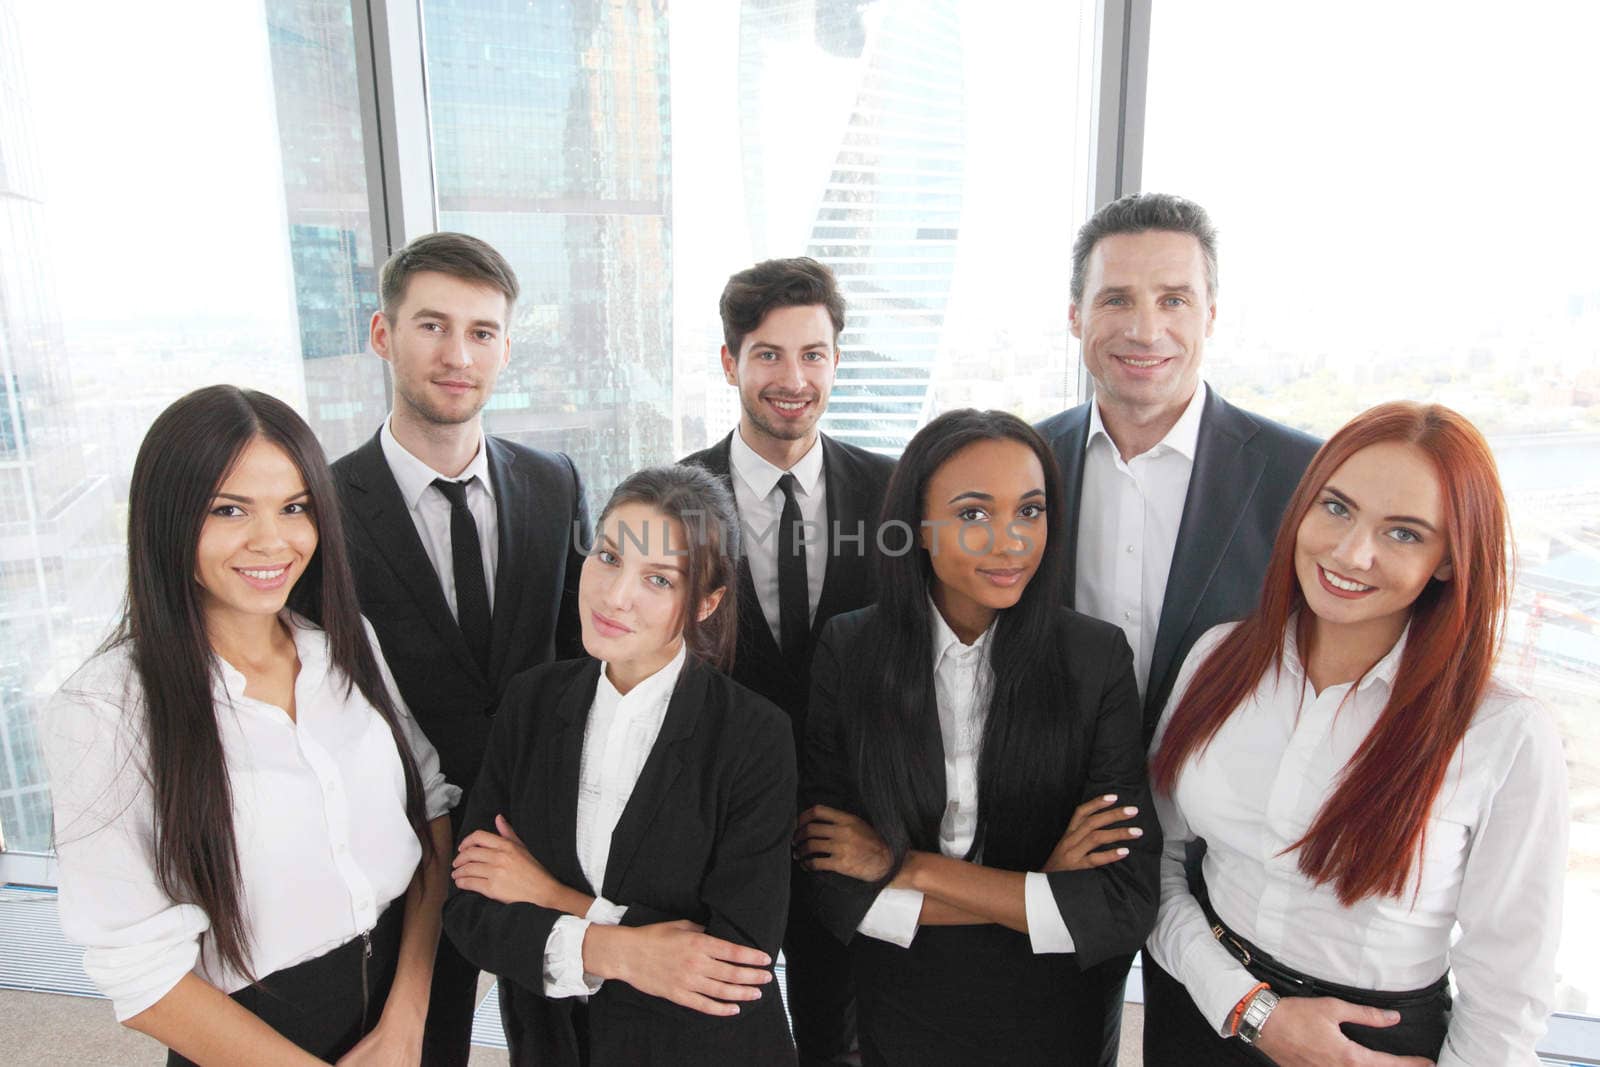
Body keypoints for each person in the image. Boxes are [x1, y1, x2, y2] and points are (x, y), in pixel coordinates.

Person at [43, 386, 458, 1065]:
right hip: (251, 1039)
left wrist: (409, 1016)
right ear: (169, 519)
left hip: (404, 1004)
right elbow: (144, 979)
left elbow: (430, 809)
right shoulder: (104, 710)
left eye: (295, 507)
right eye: (230, 509)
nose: (274, 540)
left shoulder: (346, 643)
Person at [1145, 402, 1567, 1066]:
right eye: (1336, 508)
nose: (1350, 552)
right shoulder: (1218, 658)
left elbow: (1508, 987)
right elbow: (1157, 860)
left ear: (1451, 561)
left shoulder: (1504, 734)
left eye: (1403, 533)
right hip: (1205, 1007)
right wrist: (1246, 1006)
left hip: (1375, 1048)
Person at [796, 409, 1160, 1067]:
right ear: (917, 525)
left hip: (1057, 1016)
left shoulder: (1094, 658)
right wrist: (1037, 891)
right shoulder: (851, 650)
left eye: (1030, 511)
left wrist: (904, 866)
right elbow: (829, 885)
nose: (1011, 541)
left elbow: (1119, 901)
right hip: (902, 1009)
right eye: (973, 514)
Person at [331, 231, 591, 1062]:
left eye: (482, 332)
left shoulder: (554, 482)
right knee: (415, 1044)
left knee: (562, 1044)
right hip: (400, 848)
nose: (458, 354)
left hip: (541, 833)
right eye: (432, 326)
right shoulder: (321, 508)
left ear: (506, 348)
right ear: (383, 334)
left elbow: (578, 659)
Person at [443, 465, 798, 1066]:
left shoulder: (753, 735)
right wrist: (631, 951)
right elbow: (472, 912)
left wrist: (551, 895)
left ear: (707, 603)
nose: (614, 596)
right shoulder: (530, 701)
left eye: (658, 579)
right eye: (608, 558)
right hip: (549, 1045)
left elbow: (734, 960)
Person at [681, 256, 894, 1064]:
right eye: (768, 353)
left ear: (837, 361)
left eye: (813, 353)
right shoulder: (671, 498)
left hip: (855, 827)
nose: (792, 377)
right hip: (720, 834)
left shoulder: (894, 492)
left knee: (844, 1039)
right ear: (731, 361)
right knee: (725, 1034)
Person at [1036, 192, 1321, 739]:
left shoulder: (1303, 476)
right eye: (1116, 300)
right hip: (1058, 813)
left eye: (1173, 301)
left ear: (1209, 315)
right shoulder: (1024, 463)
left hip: (1229, 815)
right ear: (1075, 316)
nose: (1145, 331)